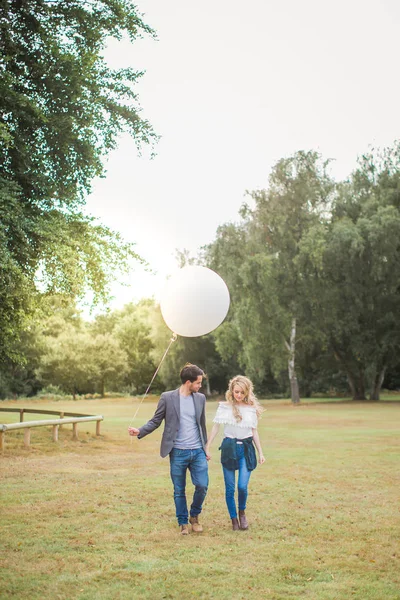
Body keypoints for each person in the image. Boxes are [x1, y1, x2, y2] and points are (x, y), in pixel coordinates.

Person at [128, 363, 209, 535]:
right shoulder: (167, 398)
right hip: (177, 451)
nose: (200, 386)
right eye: (198, 383)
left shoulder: (200, 398)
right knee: (179, 489)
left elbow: (202, 426)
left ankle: (194, 515)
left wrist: (205, 448)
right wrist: (140, 431)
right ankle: (183, 523)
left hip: (197, 451)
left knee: (202, 485)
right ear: (188, 382)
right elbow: (155, 421)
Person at [205, 375, 265, 530]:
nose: (239, 395)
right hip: (229, 448)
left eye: (242, 393)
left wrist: (261, 453)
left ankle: (242, 513)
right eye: (236, 392)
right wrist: (208, 446)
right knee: (230, 488)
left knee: (242, 486)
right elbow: (216, 427)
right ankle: (234, 520)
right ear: (231, 390)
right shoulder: (224, 407)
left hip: (246, 449)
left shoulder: (251, 409)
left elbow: (254, 432)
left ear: (246, 393)